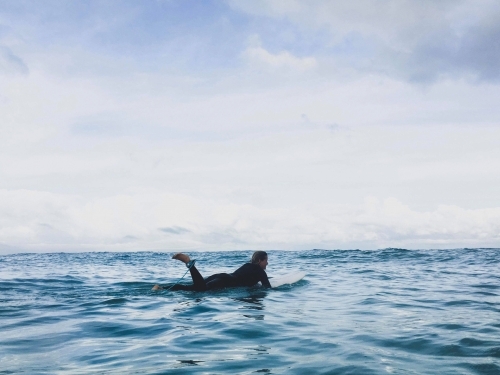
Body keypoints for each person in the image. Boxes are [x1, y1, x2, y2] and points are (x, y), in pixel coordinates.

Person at [152, 251, 271, 291]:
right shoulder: (261, 272)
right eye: (266, 260)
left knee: (192, 287)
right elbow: (267, 288)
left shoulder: (247, 265)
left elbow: (246, 279)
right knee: (200, 290)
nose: (267, 263)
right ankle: (190, 264)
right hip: (225, 282)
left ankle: (161, 288)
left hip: (222, 276)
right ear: (260, 260)